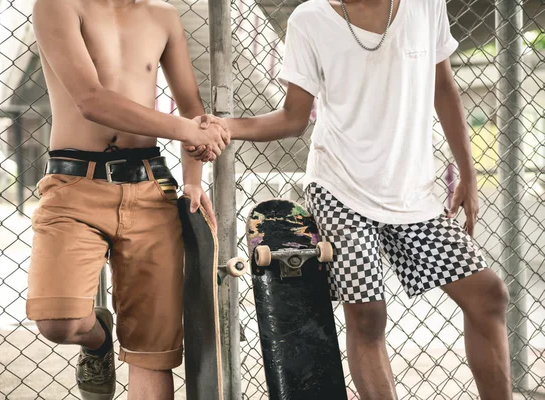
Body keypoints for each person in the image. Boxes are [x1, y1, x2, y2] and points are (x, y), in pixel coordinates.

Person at [189, 0, 512, 398]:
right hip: (340, 190)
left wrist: (468, 172)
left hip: (413, 193)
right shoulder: (310, 20)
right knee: (368, 315)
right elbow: (293, 117)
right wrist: (225, 126)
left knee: (488, 295)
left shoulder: (425, 6)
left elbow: (443, 88)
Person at [28, 0, 229, 399]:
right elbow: (92, 101)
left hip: (150, 187)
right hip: (74, 186)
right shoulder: (57, 5)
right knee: (58, 322)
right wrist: (189, 131)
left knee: (151, 353)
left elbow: (191, 107)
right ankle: (96, 340)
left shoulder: (164, 15)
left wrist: (193, 180)